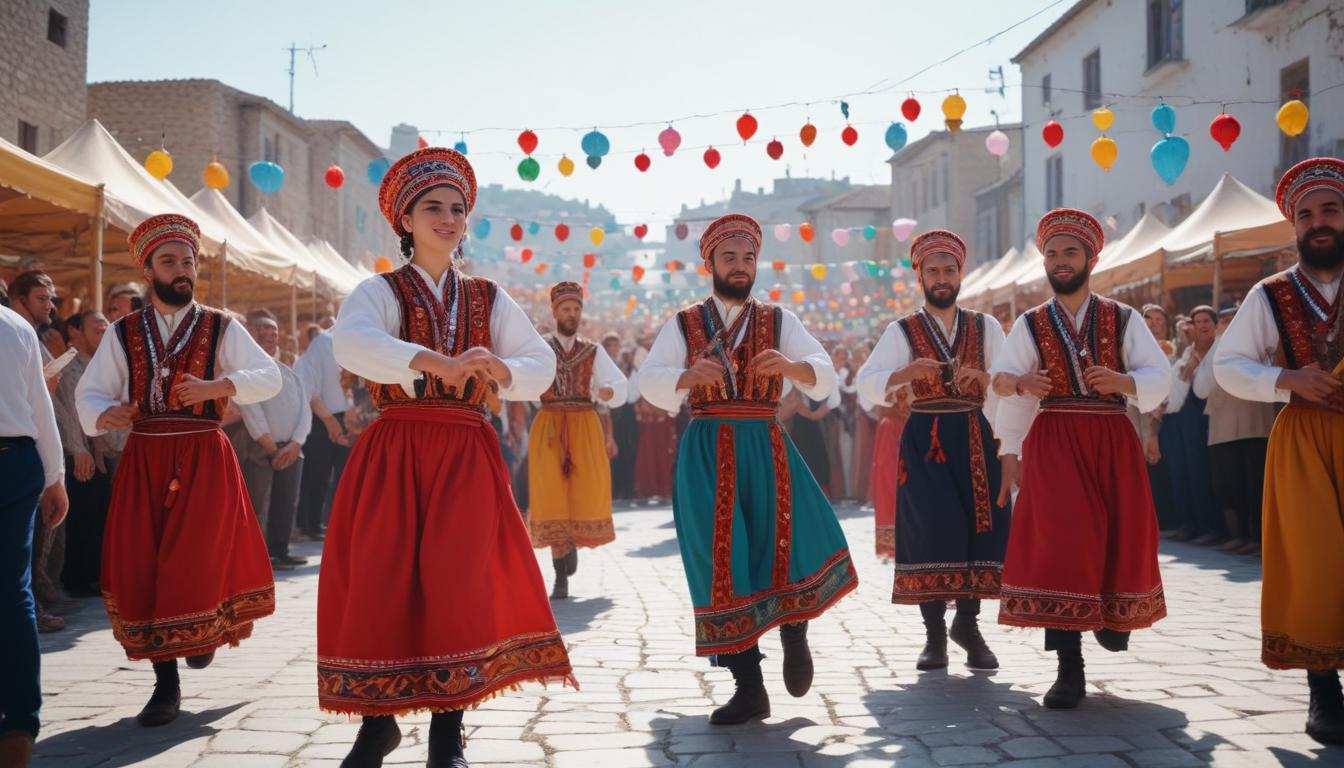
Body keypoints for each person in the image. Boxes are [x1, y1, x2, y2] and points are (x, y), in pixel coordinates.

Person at [318, 147, 573, 767]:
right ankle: (376, 723)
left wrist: (502, 367)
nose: (448, 217)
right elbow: (351, 344)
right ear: (404, 219)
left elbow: (541, 364)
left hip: (465, 451)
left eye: (457, 208)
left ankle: (445, 729)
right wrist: (431, 360)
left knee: (456, 582)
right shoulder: (378, 290)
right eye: (432, 207)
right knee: (383, 580)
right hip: (396, 448)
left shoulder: (487, 296)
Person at [640, 213, 857, 725]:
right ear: (709, 263)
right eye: (730, 257)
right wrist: (687, 375)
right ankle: (748, 684)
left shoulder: (779, 321)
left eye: (748, 258)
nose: (740, 267)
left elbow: (826, 376)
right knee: (720, 562)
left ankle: (795, 629)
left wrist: (791, 368)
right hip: (707, 446)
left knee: (785, 540)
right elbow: (648, 381)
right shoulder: (685, 323)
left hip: (766, 441)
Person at [75, 213, 281, 727]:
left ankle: (201, 632)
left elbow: (269, 376)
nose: (182, 269)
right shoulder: (123, 332)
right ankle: (165, 684)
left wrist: (219, 387)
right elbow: (91, 391)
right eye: (170, 261)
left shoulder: (220, 325)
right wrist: (106, 413)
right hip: (146, 454)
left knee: (195, 556)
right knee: (147, 563)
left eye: (188, 260)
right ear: (149, 270)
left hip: (204, 453)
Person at [991, 208, 1171, 709]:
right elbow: (1002, 381)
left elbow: (1160, 378)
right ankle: (1069, 665)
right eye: (1051, 253)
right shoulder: (1030, 323)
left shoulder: (1123, 317)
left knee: (1121, 532)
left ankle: (1114, 618)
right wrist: (1012, 434)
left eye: (1070, 251)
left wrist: (1125, 382)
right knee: (1060, 546)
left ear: (1093, 256)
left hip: (1112, 436)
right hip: (1054, 439)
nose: (1060, 261)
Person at [1213, 157, 1344, 745]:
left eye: (1330, 211)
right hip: (1303, 437)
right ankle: (1323, 690)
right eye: (1307, 214)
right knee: (1314, 562)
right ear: (1293, 226)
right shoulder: (1270, 295)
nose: (1319, 223)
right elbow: (1228, 365)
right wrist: (1286, 379)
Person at [856, 230, 1011, 672]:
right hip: (926, 437)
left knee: (982, 526)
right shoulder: (901, 329)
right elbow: (866, 384)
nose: (941, 278)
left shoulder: (985, 326)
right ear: (919, 276)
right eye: (932, 271)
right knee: (932, 528)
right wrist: (904, 373)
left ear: (961, 273)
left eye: (949, 270)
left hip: (977, 433)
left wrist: (985, 383)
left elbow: (1006, 382)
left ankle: (968, 623)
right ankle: (934, 636)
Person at [0, 302, 68, 767]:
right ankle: (19, 723)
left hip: (19, 461)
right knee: (12, 592)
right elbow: (40, 405)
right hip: (17, 458)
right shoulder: (15, 325)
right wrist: (55, 476)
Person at [528, 281, 627, 599]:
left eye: (576, 309)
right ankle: (560, 574)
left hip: (585, 424)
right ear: (555, 311)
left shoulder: (592, 350)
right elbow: (523, 381)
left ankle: (570, 546)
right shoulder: (539, 348)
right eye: (566, 309)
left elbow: (617, 383)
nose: (571, 314)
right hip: (550, 426)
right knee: (551, 493)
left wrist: (609, 391)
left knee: (585, 489)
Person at [228, 309, 312, 572]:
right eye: (262, 329)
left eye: (273, 329)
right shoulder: (246, 369)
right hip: (260, 446)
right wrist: (271, 447)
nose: (268, 334)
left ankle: (280, 550)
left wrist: (296, 443)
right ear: (250, 333)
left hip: (291, 447)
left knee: (287, 501)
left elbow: (304, 406)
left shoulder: (289, 365)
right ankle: (257, 555)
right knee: (258, 501)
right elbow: (250, 408)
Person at [1195, 307, 1273, 556]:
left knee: (1256, 484)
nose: (1229, 326)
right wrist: (1219, 342)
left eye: (1234, 321)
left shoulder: (1259, 344)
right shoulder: (1215, 349)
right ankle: (1238, 535)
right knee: (1228, 484)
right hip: (1222, 429)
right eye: (1225, 322)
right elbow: (1201, 388)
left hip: (1255, 425)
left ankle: (1259, 538)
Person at [53, 310, 118, 597]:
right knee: (81, 518)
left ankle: (92, 575)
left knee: (96, 517)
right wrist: (80, 450)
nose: (104, 334)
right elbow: (69, 413)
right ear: (74, 331)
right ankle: (77, 578)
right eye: (97, 329)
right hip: (77, 454)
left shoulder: (96, 364)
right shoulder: (68, 365)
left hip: (96, 452)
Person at [294, 325, 351, 541]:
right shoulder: (323, 343)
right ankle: (310, 523)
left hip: (348, 417)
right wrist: (329, 422)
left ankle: (332, 524)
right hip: (323, 417)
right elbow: (309, 388)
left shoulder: (358, 344)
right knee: (317, 475)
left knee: (344, 476)